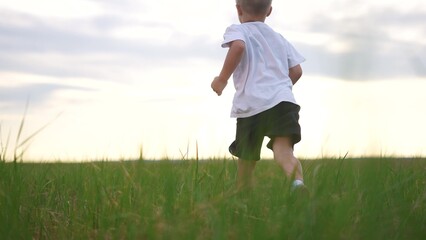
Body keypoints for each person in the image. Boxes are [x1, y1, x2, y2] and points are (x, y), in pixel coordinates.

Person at [211, 0, 307, 193]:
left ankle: (244, 195)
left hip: (251, 105)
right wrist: (278, 88)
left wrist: (222, 79)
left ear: (238, 9)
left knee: (246, 158)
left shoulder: (238, 31)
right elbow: (296, 70)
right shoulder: (279, 39)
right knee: (284, 150)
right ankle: (297, 185)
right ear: (269, 11)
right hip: (282, 102)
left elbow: (237, 47)